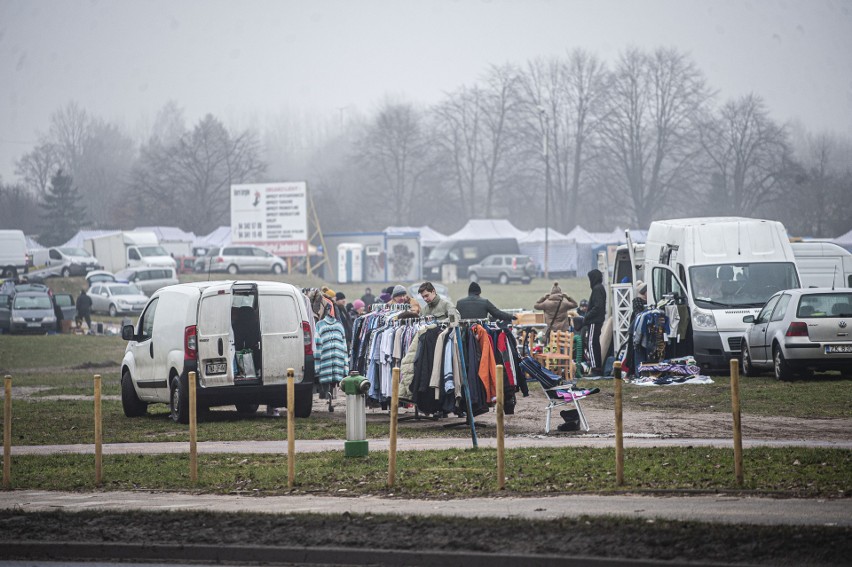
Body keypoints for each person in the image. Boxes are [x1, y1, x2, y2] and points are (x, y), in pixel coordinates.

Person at [580, 269, 607, 376]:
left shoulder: (596, 289)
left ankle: (595, 368)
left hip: (594, 321)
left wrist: (587, 316)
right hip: (598, 320)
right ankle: (597, 367)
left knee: (591, 343)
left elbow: (597, 307)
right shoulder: (601, 288)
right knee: (595, 343)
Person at [624, 280, 648, 377]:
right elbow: (639, 315)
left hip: (637, 331)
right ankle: (636, 372)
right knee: (636, 351)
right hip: (636, 331)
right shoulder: (638, 301)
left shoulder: (641, 302)